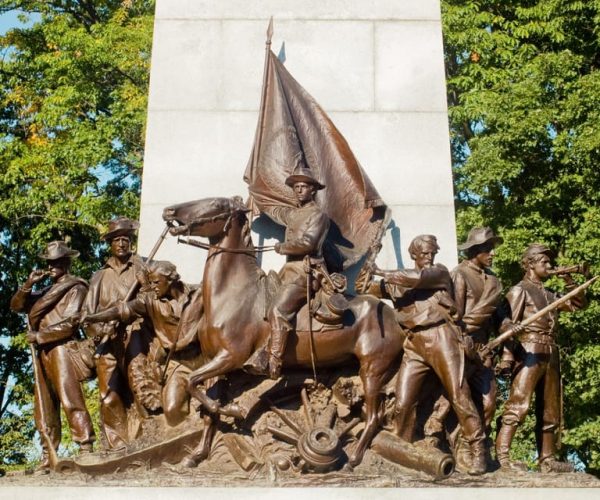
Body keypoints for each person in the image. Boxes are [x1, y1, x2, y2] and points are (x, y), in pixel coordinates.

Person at [366, 234, 487, 475]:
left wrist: (380, 270)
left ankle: (479, 450)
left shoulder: (438, 273)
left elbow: (417, 278)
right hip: (414, 343)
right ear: (414, 255)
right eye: (424, 253)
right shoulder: (396, 283)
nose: (429, 257)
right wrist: (366, 269)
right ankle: (402, 451)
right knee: (402, 401)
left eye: (432, 252)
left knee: (459, 395)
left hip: (442, 337)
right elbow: (365, 289)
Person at [495, 243, 586, 472]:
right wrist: (506, 357)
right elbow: (508, 327)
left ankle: (547, 459)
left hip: (550, 352)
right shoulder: (519, 290)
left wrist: (568, 279)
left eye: (549, 262)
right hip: (528, 349)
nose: (549, 266)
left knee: (551, 409)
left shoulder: (549, 294)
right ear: (530, 264)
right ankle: (503, 458)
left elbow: (578, 304)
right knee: (519, 403)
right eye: (544, 262)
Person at [82, 260, 204, 426]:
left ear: (170, 280)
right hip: (178, 363)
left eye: (155, 282)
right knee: (173, 411)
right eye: (150, 282)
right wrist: (92, 317)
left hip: (205, 358)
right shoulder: (149, 301)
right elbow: (121, 310)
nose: (152, 286)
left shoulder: (198, 293)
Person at [425, 227, 505, 471]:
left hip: (484, 349)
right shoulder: (459, 274)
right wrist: (463, 341)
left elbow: (497, 316)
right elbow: (454, 315)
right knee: (457, 400)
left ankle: (475, 447)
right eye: (487, 249)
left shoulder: (493, 280)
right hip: (463, 346)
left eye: (492, 248)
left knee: (489, 402)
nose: (492, 253)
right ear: (475, 251)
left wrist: (508, 323)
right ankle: (463, 448)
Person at [10, 241, 95, 470]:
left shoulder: (76, 287)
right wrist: (28, 284)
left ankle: (85, 445)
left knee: (70, 398)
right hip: (43, 353)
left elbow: (70, 323)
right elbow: (16, 305)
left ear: (66, 262)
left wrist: (39, 336)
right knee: (43, 404)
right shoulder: (43, 291)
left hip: (61, 348)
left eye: (57, 261)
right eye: (50, 262)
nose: (53, 266)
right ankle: (48, 453)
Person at [246, 166, 329, 379]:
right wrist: (255, 192)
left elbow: (309, 243)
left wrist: (283, 247)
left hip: (305, 273)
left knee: (278, 309)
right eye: (296, 187)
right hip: (288, 271)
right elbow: (275, 210)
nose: (299, 190)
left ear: (313, 190)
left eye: (303, 186)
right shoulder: (293, 214)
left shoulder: (318, 216)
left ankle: (274, 361)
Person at [84, 216, 151, 448]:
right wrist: (101, 329)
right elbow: (88, 315)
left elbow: (148, 300)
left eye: (126, 239)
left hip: (135, 334)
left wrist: (124, 314)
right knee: (108, 392)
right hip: (107, 340)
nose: (122, 244)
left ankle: (148, 436)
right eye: (117, 240)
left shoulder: (142, 267)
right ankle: (117, 445)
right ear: (110, 244)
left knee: (139, 385)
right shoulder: (99, 276)